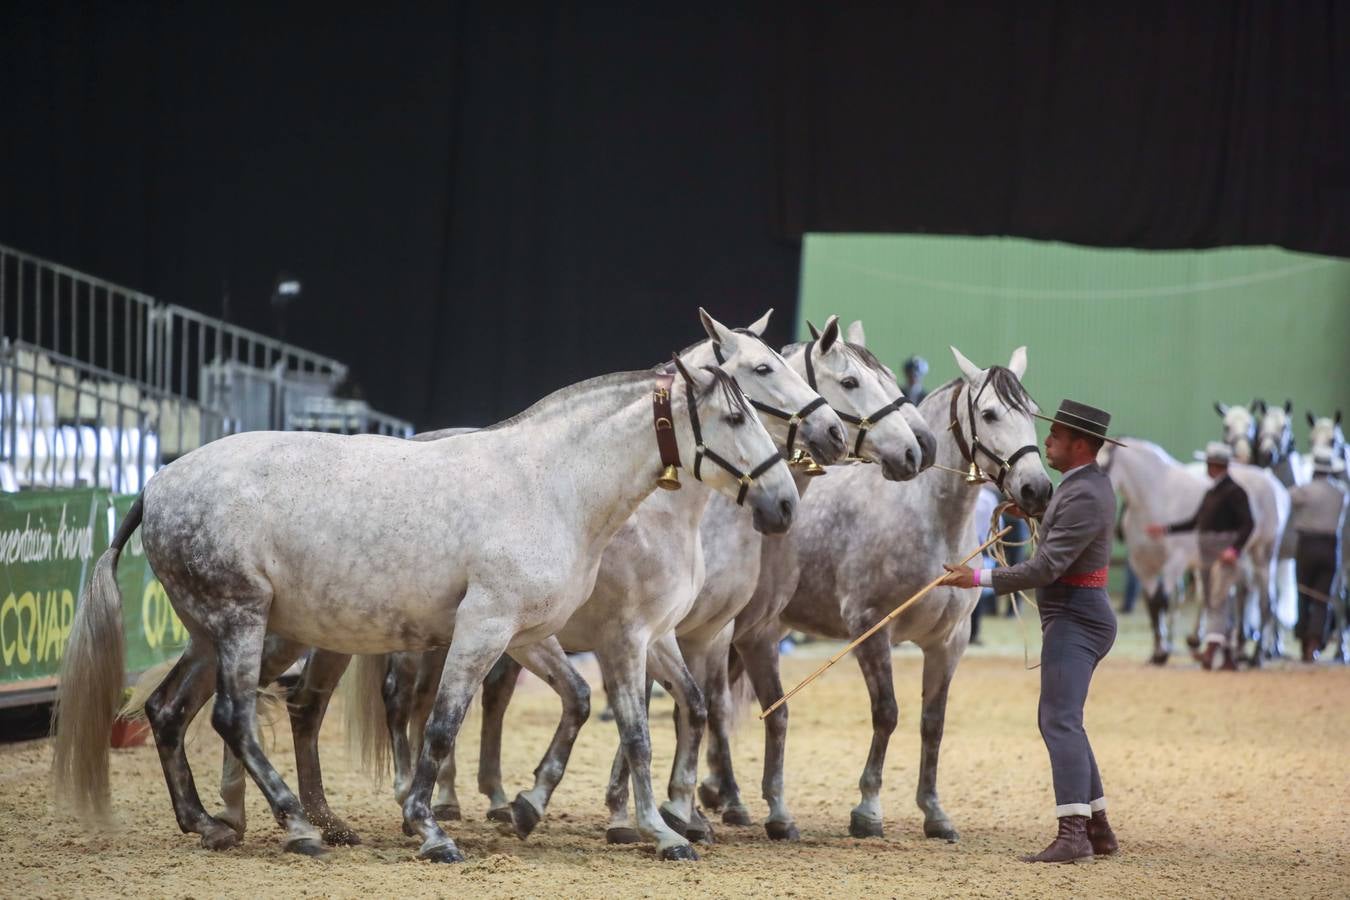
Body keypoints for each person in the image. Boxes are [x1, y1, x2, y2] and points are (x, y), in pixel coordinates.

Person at [942, 399, 1123, 864]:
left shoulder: (1083, 492)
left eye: (1055, 436)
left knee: (1058, 721)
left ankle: (1074, 835)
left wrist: (976, 578)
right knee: (1067, 721)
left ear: (1080, 444)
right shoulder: (1080, 486)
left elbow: (1046, 567)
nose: (1046, 443)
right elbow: (1065, 537)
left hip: (1075, 617)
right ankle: (1097, 828)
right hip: (1074, 615)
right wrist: (1036, 516)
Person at [1146, 442, 1253, 670]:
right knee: (1211, 600)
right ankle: (1225, 653)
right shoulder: (1212, 491)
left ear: (1215, 465)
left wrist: (1234, 549)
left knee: (1219, 599)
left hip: (1224, 553)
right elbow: (1196, 522)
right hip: (1207, 553)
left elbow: (1247, 524)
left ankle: (1212, 650)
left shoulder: (1235, 492)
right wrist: (1165, 530)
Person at [1288, 449, 1348, 662]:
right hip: (1331, 548)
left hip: (1307, 545)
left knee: (1303, 594)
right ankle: (1315, 641)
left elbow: (1288, 497)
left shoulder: (1304, 491)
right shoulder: (1341, 493)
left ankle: (1304, 637)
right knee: (1323, 598)